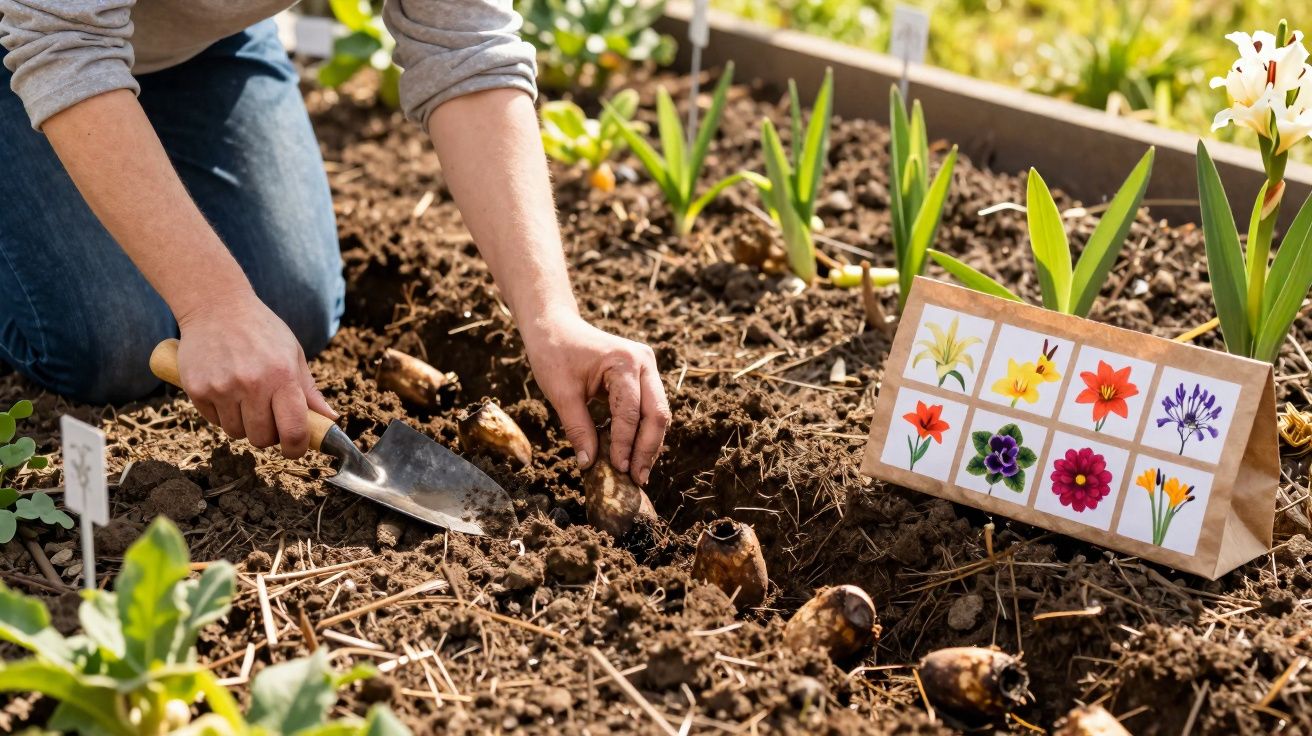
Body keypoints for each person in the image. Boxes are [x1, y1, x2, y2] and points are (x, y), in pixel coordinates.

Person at [0, 0, 669, 485]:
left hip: (198, 41)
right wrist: (213, 302)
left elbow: (464, 45)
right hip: (31, 32)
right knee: (108, 339)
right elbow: (63, 39)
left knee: (291, 307)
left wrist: (550, 316)